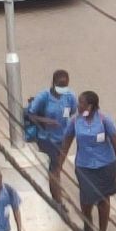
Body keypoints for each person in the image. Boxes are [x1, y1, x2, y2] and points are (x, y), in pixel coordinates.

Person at [59, 90, 116, 231]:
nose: (78, 105)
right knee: (86, 200)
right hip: (84, 166)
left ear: (90, 105)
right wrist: (59, 165)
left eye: (81, 102)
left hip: (105, 165)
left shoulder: (104, 120)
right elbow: (67, 142)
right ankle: (88, 226)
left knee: (103, 199)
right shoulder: (75, 121)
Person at [25, 69, 78, 205]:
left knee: (57, 169)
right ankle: (58, 202)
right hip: (47, 139)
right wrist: (46, 121)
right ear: (53, 83)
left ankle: (54, 196)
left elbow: (72, 111)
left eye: (65, 85)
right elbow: (30, 115)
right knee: (55, 170)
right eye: (60, 85)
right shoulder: (43, 97)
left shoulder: (70, 96)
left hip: (64, 139)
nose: (62, 88)